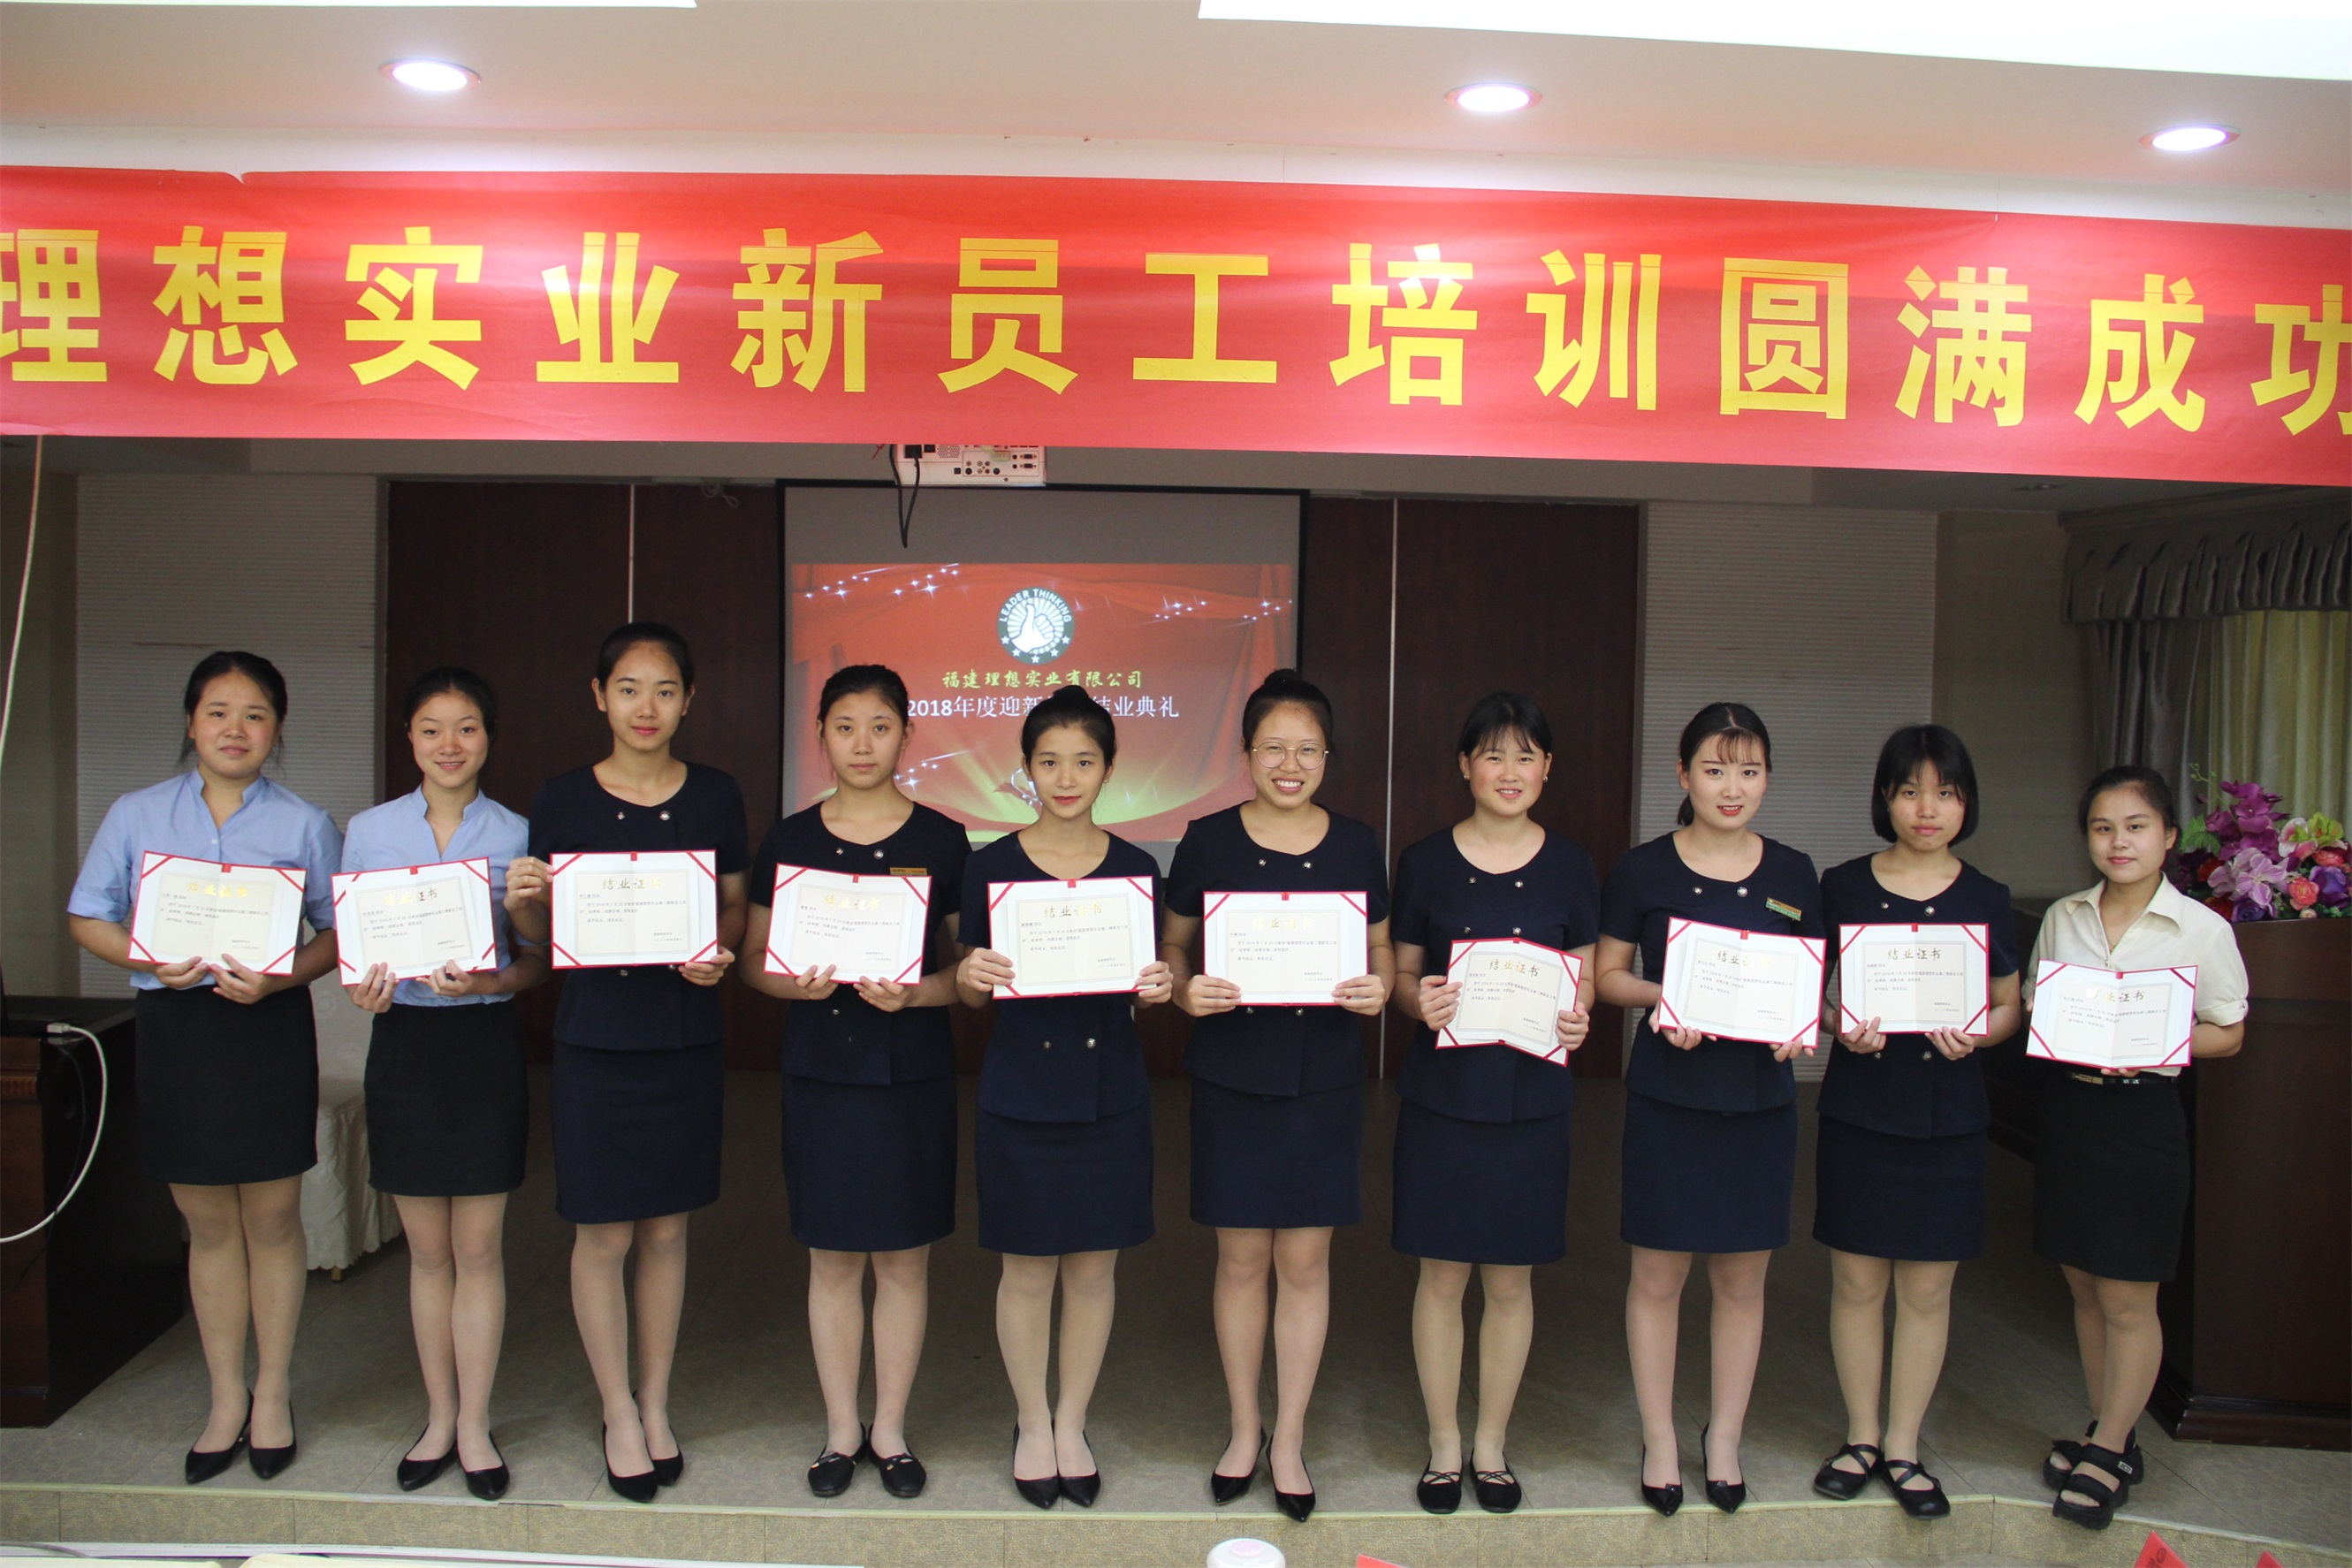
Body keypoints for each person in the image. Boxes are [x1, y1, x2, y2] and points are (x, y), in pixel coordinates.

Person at [66, 651, 341, 1485]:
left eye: (254, 714)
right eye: (218, 711)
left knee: (273, 1219)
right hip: (178, 1027)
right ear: (190, 723)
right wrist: (147, 955)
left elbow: (339, 931)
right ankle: (225, 1397)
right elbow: (87, 915)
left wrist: (283, 976)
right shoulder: (137, 813)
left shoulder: (305, 824)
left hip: (266, 1030)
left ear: (277, 729)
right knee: (209, 1224)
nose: (235, 728)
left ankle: (273, 1394)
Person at [505, 622, 749, 1504]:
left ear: (689, 701)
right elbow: (542, 938)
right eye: (630, 688)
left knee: (667, 1231)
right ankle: (615, 1408)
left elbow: (731, 908)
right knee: (603, 1233)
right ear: (599, 696)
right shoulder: (562, 799)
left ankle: (655, 1400)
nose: (647, 707)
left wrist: (717, 951)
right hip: (595, 1041)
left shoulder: (716, 794)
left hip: (681, 1037)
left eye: (666, 689)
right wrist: (522, 906)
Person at [1160, 669, 1393, 1522]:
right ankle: (1242, 1428)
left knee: (1304, 1262)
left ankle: (1290, 1437)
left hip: (1323, 1077)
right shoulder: (1207, 840)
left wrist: (1377, 987)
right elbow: (1173, 947)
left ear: (1327, 757)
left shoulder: (1356, 844)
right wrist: (1185, 991)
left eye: (1307, 750)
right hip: (1233, 1070)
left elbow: (1381, 951)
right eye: (1273, 749)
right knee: (1240, 1260)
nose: (1290, 765)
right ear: (1245, 753)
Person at [742, 665, 970, 1501]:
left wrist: (918, 994)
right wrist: (789, 984)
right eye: (845, 727)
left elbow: (969, 974)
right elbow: (754, 961)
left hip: (912, 1071)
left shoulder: (943, 840)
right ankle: (841, 1431)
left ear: (907, 734)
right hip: (823, 1070)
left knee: (904, 1260)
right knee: (833, 1259)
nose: (863, 744)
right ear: (821, 736)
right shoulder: (789, 840)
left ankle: (891, 1432)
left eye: (880, 726)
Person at [1595, 702, 1821, 1516]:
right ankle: (1658, 1436)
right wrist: (1664, 997)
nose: (1732, 787)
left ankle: (1723, 1437)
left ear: (1767, 779)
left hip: (1758, 1100)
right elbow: (1606, 977)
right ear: (1683, 775)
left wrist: (1800, 1027)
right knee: (1657, 1276)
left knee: (1742, 1279)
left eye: (1748, 771)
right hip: (1669, 1094)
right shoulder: (1641, 870)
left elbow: (1811, 985)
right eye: (1715, 769)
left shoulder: (1794, 873)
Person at [955, 686, 1174, 1511]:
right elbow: (970, 987)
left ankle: (1072, 1421)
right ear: (1027, 769)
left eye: (1083, 761)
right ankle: (1030, 1421)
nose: (1066, 777)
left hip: (1108, 1088)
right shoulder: (990, 866)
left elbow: (1149, 981)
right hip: (1019, 1089)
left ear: (1109, 769)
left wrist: (1159, 985)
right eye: (1049, 762)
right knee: (1024, 1269)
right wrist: (971, 975)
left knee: (1091, 1268)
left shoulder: (1136, 869)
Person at [1386, 692, 1597, 1517]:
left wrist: (1577, 1020)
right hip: (1444, 1097)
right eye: (1493, 755)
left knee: (1510, 1282)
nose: (1509, 772)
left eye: (1525, 757)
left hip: (1533, 1100)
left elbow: (1582, 982)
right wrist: (1417, 1001)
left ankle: (1491, 1446)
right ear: (1464, 766)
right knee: (1441, 1277)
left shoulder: (1572, 866)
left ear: (1547, 769)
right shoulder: (1425, 862)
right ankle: (1444, 1443)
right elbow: (1403, 974)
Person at [341, 667, 544, 1501]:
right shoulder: (368, 832)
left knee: (479, 1249)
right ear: (410, 738)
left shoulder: (518, 831)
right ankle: (437, 1416)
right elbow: (356, 952)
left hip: (482, 1046)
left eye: (466, 728)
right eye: (431, 729)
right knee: (427, 1254)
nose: (449, 745)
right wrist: (362, 990)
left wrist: (491, 981)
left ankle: (475, 1424)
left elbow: (535, 962)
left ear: (488, 737)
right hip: (405, 1046)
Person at [1808, 726, 2021, 1519]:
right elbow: (1812, 990)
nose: (1927, 808)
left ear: (1966, 803)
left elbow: (2006, 1005)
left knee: (1927, 1289)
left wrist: (1980, 1034)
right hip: (1862, 1106)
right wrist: (1838, 1023)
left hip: (1949, 1114)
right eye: (1909, 791)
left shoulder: (1986, 896)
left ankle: (1903, 1445)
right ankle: (1860, 1436)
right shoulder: (1841, 886)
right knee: (1857, 1281)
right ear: (1884, 799)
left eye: (1945, 792)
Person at [2028, 765, 2245, 1531]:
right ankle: (2106, 1431)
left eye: (2134, 826)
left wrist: (2151, 1039)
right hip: (2072, 1113)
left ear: (2167, 837)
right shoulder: (2063, 916)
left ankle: (2112, 1446)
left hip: (2143, 1118)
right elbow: (2041, 1006)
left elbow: (2228, 1032)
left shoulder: (2200, 928)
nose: (2117, 842)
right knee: (2084, 1285)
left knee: (2128, 1294)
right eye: (2101, 828)